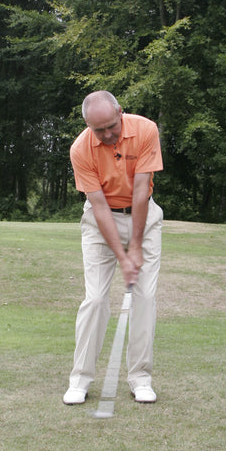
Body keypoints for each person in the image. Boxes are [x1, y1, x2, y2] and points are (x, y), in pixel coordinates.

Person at [63, 90, 163, 405]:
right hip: (99, 222)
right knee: (94, 299)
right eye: (98, 130)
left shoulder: (146, 130)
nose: (107, 135)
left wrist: (135, 247)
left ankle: (140, 379)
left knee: (144, 296)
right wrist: (123, 256)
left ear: (120, 111)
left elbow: (139, 191)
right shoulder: (80, 149)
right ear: (87, 126)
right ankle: (79, 380)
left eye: (110, 126)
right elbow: (99, 207)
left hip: (142, 218)